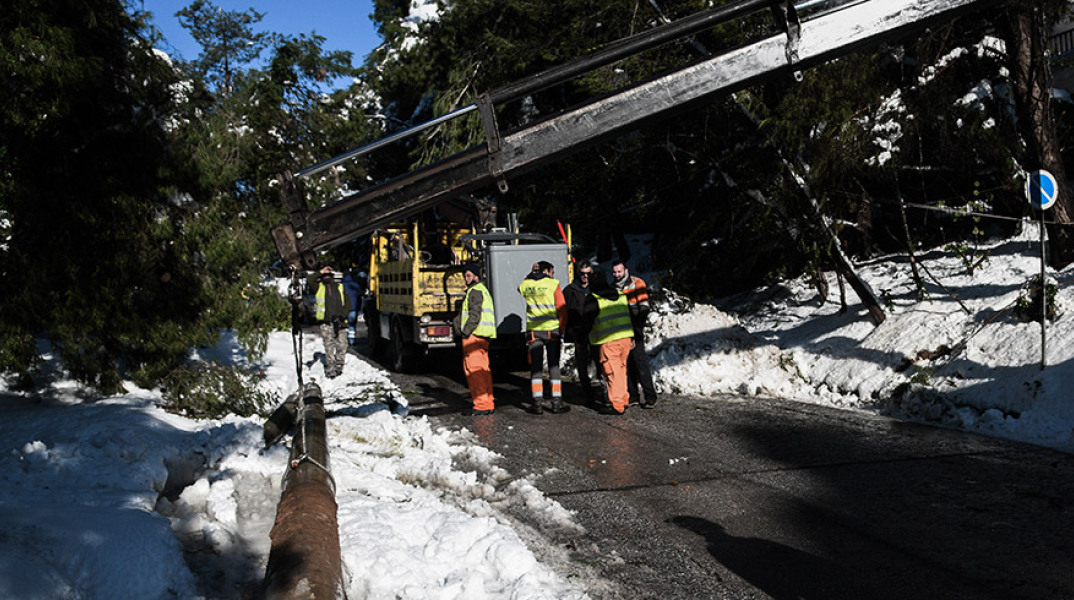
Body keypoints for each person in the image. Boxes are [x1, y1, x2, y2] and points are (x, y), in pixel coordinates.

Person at [518, 260, 569, 414]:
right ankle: (556, 402)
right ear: (546, 271)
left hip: (534, 332)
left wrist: (531, 275)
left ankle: (537, 403)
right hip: (551, 331)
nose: (553, 275)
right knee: (553, 367)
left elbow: (520, 288)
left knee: (536, 368)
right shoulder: (552, 284)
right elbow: (562, 308)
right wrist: (561, 328)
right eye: (552, 272)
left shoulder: (526, 285)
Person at [583, 268, 634, 415]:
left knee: (611, 373)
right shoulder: (620, 294)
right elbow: (630, 316)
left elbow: (587, 321)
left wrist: (581, 338)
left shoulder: (594, 298)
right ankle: (624, 399)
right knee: (621, 370)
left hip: (608, 341)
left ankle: (616, 405)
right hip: (625, 339)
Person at [613, 259, 658, 409]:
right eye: (614, 272)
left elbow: (644, 307)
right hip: (621, 330)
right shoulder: (613, 288)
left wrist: (637, 329)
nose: (617, 275)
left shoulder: (637, 283)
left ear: (626, 270)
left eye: (619, 271)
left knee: (640, 363)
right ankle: (633, 395)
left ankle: (650, 395)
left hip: (635, 327)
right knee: (627, 364)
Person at [454, 264, 497, 415]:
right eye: (465, 276)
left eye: (469, 276)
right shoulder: (481, 290)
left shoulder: (475, 291)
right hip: (482, 336)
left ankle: (481, 406)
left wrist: (465, 332)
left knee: (474, 372)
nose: (466, 279)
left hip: (474, 336)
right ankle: (487, 403)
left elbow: (474, 315)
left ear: (477, 277)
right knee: (483, 371)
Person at [563, 260, 602, 404]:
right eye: (583, 273)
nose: (585, 276)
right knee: (582, 363)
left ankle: (602, 390)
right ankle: (587, 392)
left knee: (600, 361)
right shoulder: (569, 291)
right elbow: (564, 311)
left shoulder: (598, 289)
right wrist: (570, 331)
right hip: (578, 332)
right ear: (578, 273)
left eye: (588, 273)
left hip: (597, 331)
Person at [307, 265, 352, 379]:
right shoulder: (319, 287)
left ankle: (339, 367)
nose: (326, 277)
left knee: (342, 345)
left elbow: (348, 302)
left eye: (328, 275)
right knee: (329, 345)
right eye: (324, 276)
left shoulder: (340, 287)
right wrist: (321, 271)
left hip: (340, 322)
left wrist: (344, 315)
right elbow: (310, 280)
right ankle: (330, 368)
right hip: (326, 322)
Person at [341, 265, 366, 345]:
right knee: (352, 325)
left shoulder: (342, 285)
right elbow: (360, 293)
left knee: (345, 325)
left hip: (344, 308)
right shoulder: (354, 285)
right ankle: (352, 340)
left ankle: (345, 339)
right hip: (353, 308)